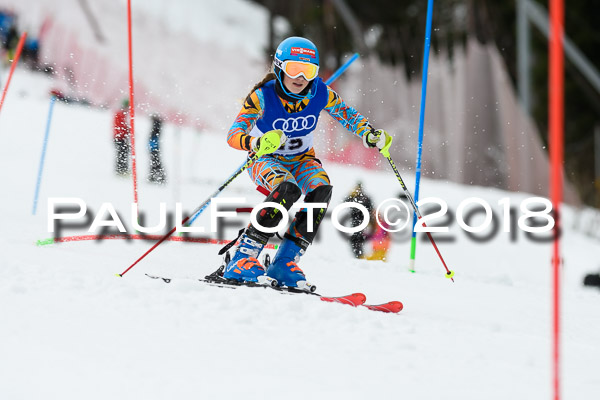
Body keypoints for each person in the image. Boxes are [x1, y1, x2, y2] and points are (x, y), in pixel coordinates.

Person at [223, 36, 392, 290]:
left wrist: (369, 134)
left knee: (321, 189)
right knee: (286, 188)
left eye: (309, 70)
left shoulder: (319, 92)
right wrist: (255, 143)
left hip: (302, 159)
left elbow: (347, 115)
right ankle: (243, 257)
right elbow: (233, 135)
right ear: (279, 68)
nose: (301, 77)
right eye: (294, 68)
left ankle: (285, 261)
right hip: (265, 159)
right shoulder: (262, 96)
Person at [344, 182, 391, 261]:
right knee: (357, 240)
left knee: (358, 240)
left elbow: (370, 208)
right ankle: (359, 257)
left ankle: (360, 257)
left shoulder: (364, 198)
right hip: (359, 222)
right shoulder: (356, 197)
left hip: (364, 222)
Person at [113, 99, 131, 176]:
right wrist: (128, 131)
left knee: (122, 153)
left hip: (120, 137)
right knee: (122, 153)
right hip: (120, 137)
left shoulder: (120, 114)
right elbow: (121, 126)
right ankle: (121, 170)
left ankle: (122, 169)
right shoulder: (120, 114)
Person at [148, 114, 166, 184]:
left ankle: (157, 176)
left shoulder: (156, 127)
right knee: (155, 162)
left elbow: (154, 138)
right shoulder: (156, 127)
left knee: (155, 162)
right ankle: (156, 176)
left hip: (154, 147)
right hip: (154, 147)